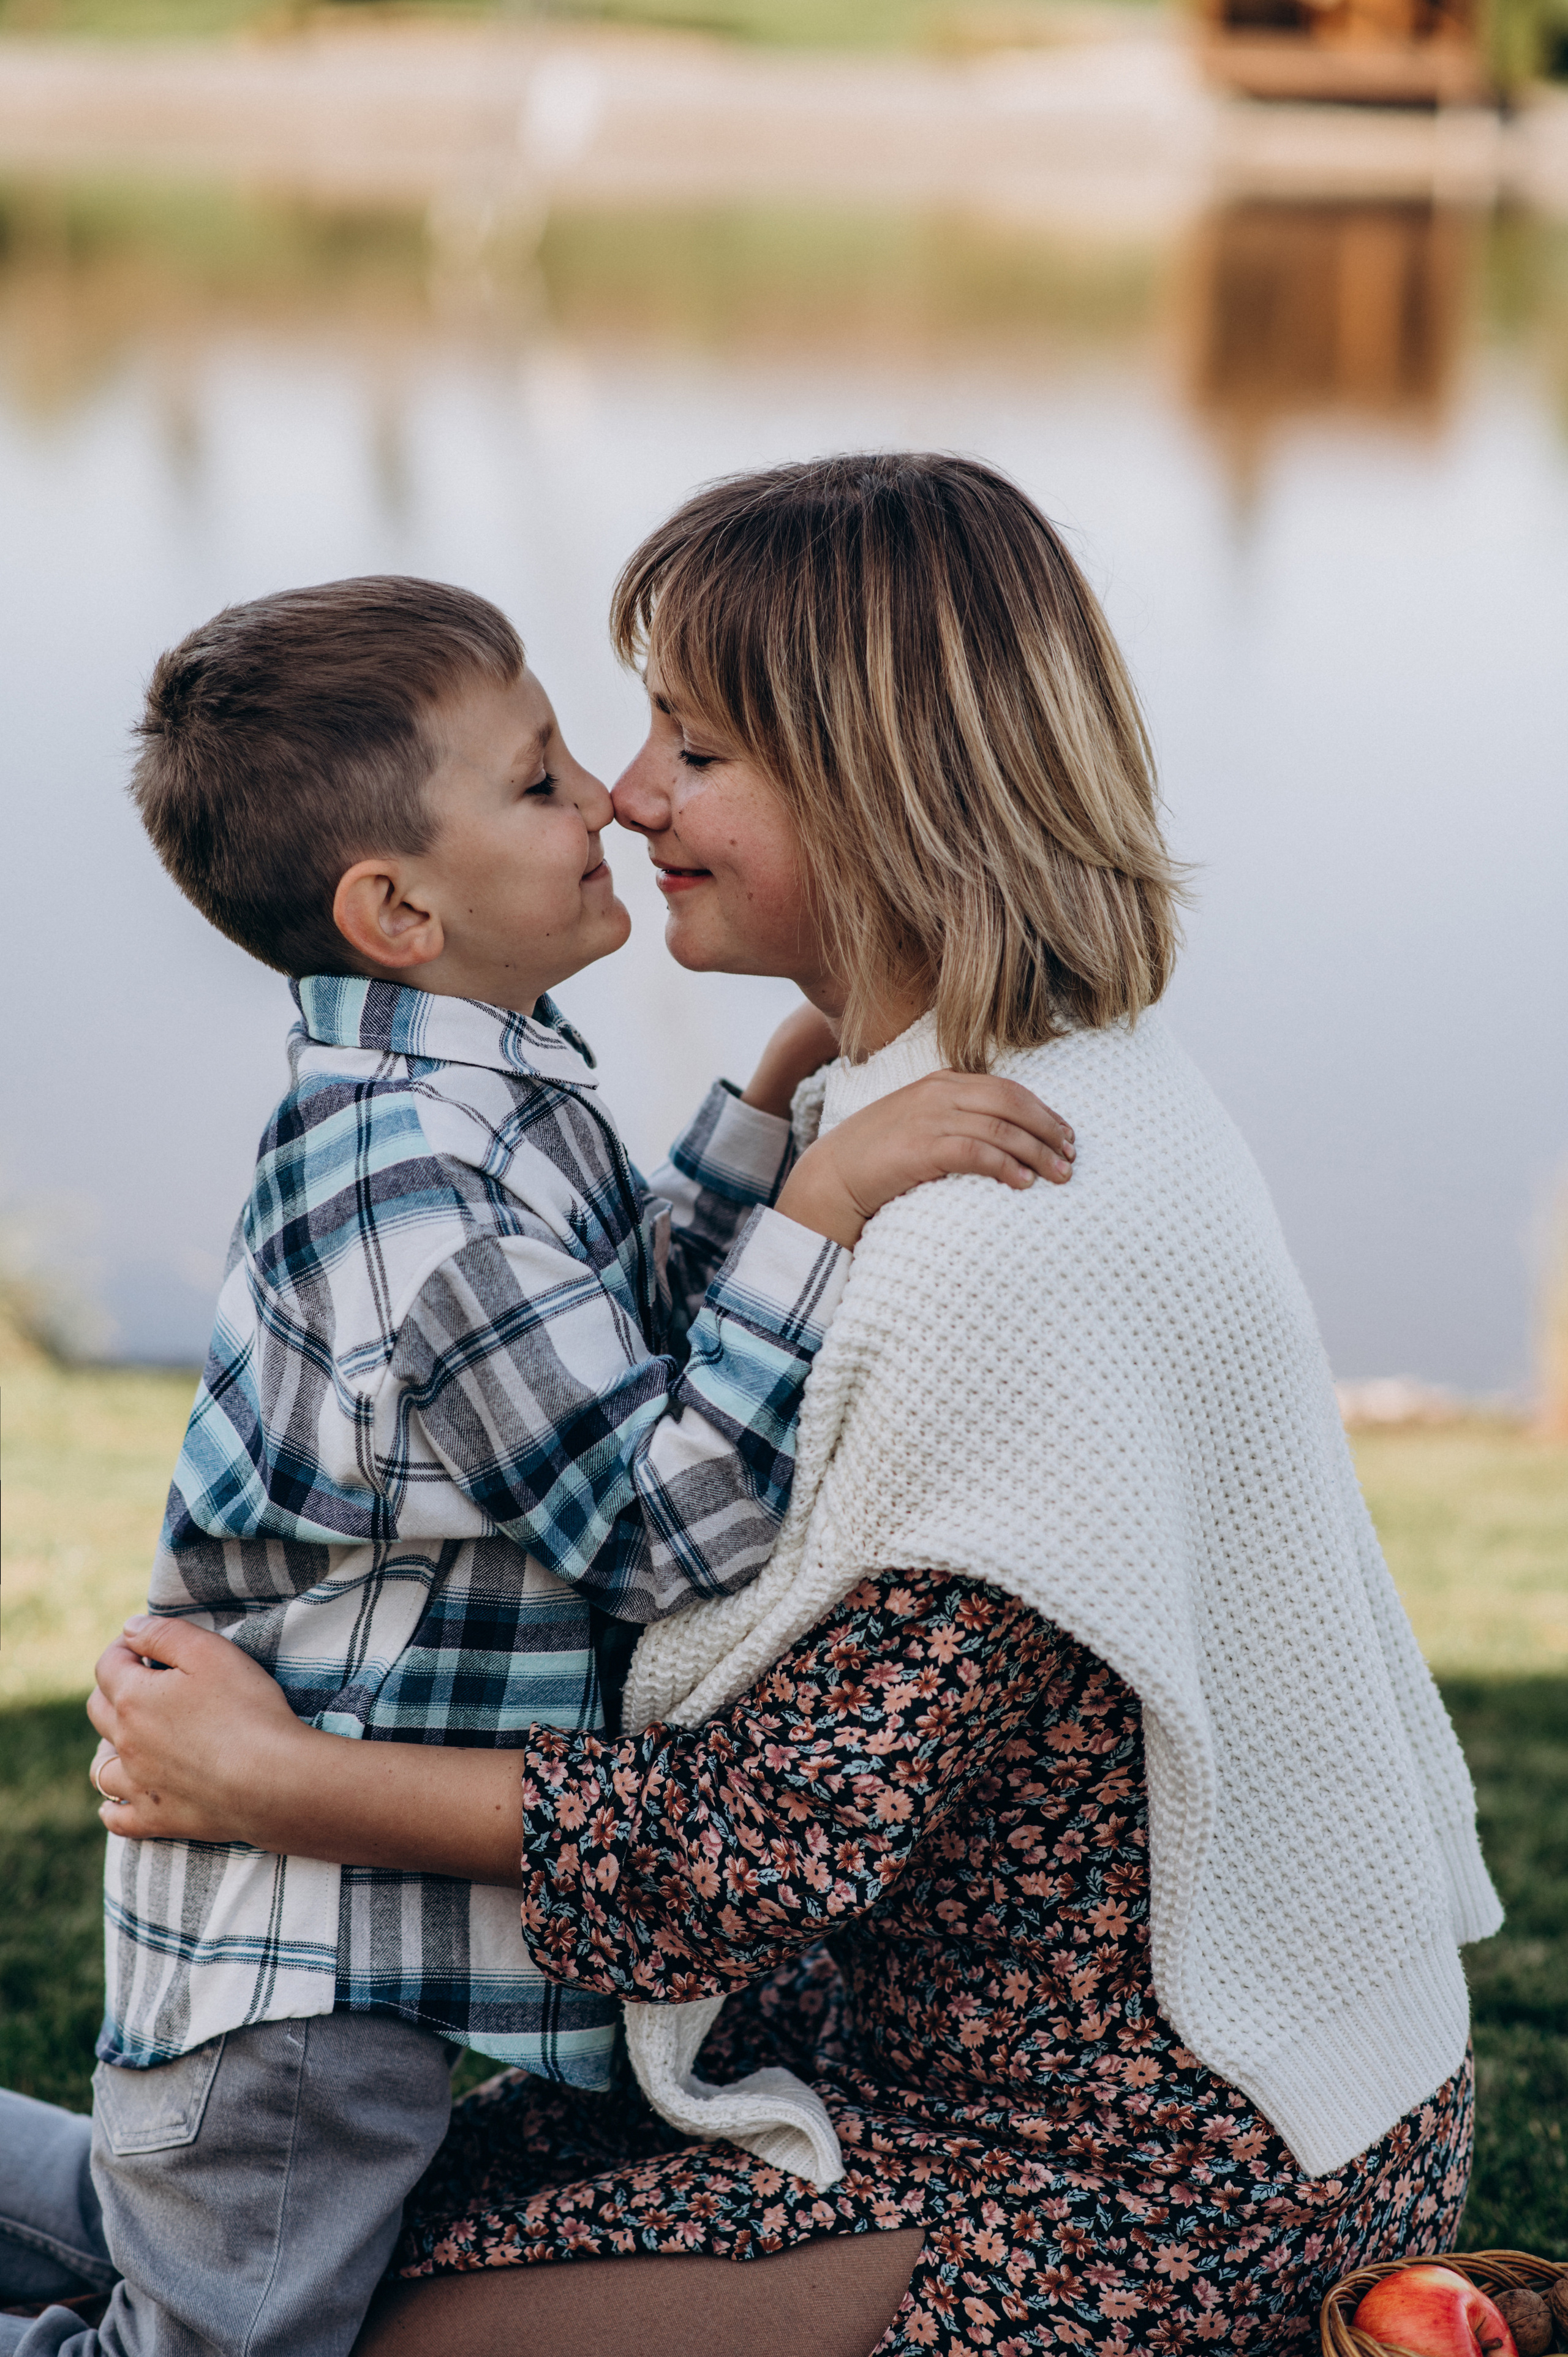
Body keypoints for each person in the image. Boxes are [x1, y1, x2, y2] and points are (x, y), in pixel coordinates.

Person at [28, 454, 1503, 2356]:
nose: (633, 795)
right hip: (929, 2062)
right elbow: (665, 1335)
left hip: (1114, 2156)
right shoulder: (991, 1085)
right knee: (275, 2265)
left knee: (320, 2328)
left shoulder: (1005, 1224)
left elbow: (758, 1852)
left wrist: (276, 1785)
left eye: (693, 747)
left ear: (885, 784)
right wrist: (785, 1125)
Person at [0, 571, 1074, 2357]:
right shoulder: (421, 1199)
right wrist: (822, 1204)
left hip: (311, 1941)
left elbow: (613, 1325)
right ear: (400, 907)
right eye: (541, 779)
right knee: (217, 2336)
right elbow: (661, 1523)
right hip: (298, 1963)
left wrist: (764, 1110)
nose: (612, 799)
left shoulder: (476, 1087)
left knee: (173, 2212)